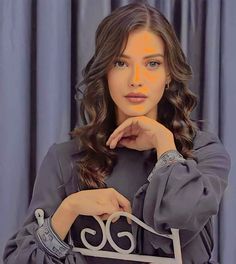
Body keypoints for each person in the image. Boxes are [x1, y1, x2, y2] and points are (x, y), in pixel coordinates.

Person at [3, 2, 231, 264]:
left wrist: (163, 143)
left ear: (168, 73)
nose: (136, 79)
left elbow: (181, 215)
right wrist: (70, 208)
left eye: (152, 63)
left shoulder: (204, 152)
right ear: (106, 71)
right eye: (121, 63)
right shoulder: (65, 158)